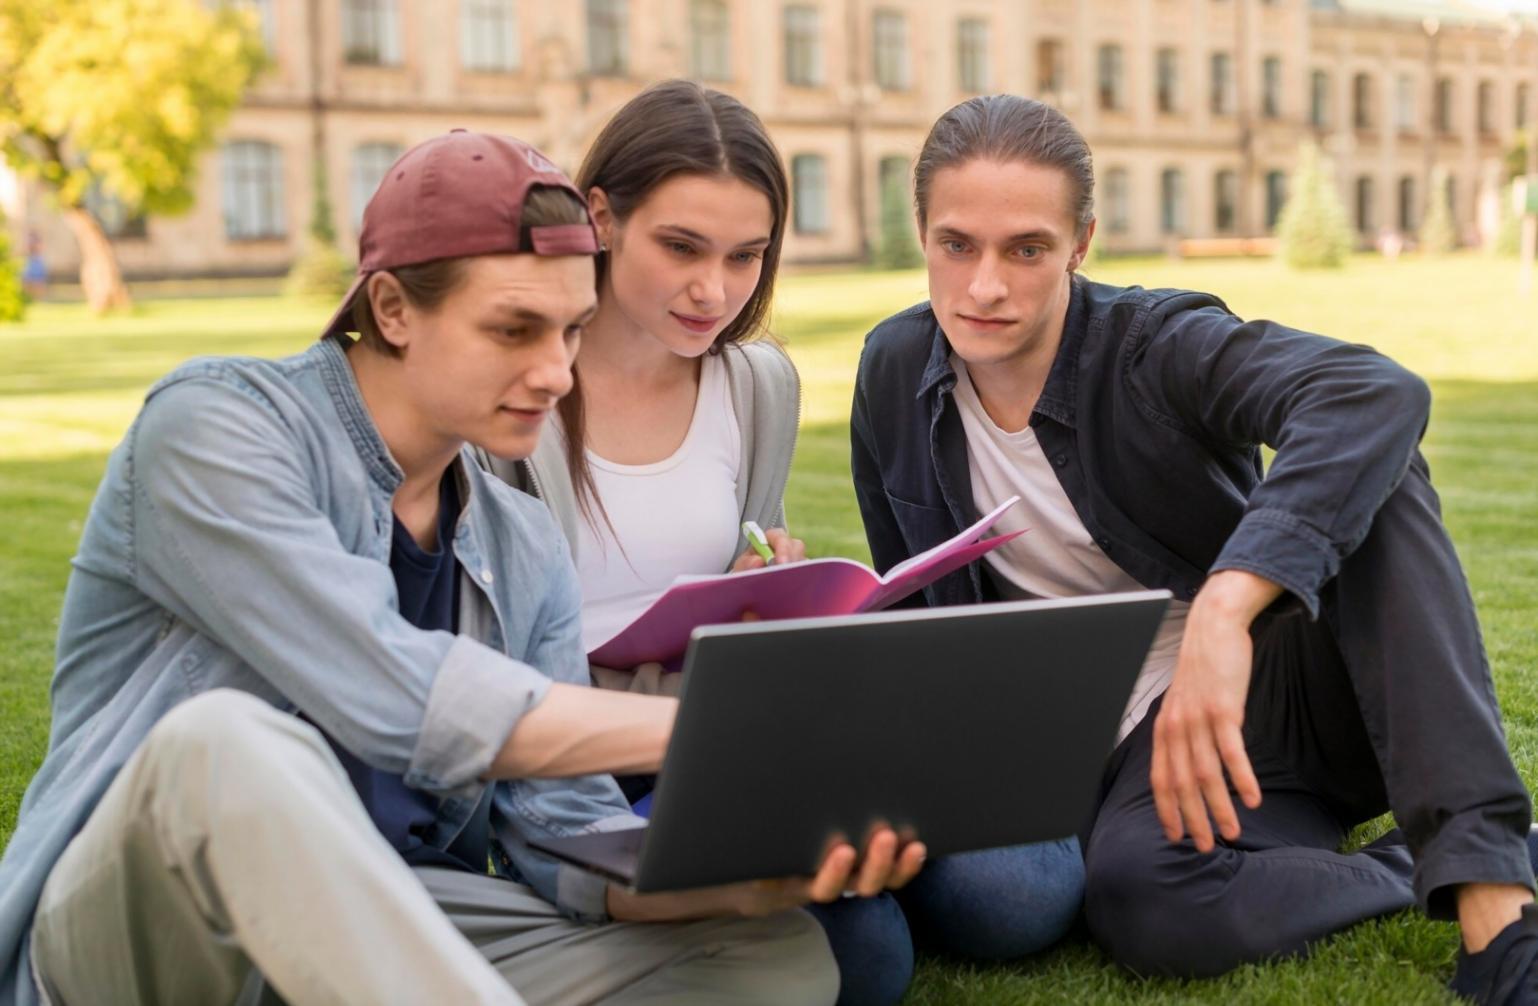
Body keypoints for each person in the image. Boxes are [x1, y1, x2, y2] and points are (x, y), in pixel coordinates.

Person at [0, 129, 927, 1006]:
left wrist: (748, 877)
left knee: (774, 953)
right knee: (225, 745)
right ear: (392, 308)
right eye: (515, 330)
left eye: (571, 330)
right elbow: (397, 696)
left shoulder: (521, 543)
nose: (556, 372)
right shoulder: (217, 428)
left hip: (385, 917)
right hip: (147, 927)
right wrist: (723, 727)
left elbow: (565, 840)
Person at [849, 93, 1538, 1005]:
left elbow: (1372, 393)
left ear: (1081, 244)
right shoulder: (893, 371)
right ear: (923, 235)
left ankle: (1494, 905)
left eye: (1026, 250)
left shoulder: (1154, 346)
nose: (985, 287)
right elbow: (910, 601)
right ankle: (1417, 863)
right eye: (957, 245)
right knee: (1142, 902)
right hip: (1105, 747)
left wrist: (1227, 606)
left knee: (1378, 465)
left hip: (1281, 695)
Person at [482, 80, 1082, 1006]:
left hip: (758, 724)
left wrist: (764, 585)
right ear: (600, 218)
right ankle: (847, 876)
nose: (714, 290)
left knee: (1022, 894)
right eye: (682, 247)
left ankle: (861, 852)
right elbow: (497, 670)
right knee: (865, 961)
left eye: (746, 256)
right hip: (610, 757)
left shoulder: (755, 383)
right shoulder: (512, 396)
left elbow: (745, 568)